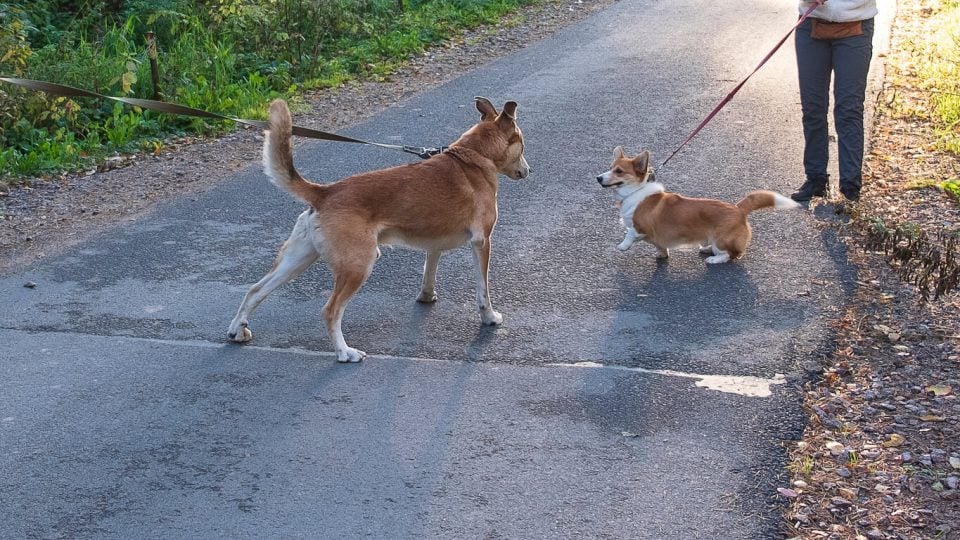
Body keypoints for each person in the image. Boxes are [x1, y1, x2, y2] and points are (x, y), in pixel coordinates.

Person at [791, 0, 878, 203]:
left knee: (849, 109)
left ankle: (850, 187)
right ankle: (815, 179)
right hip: (811, 25)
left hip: (855, 27)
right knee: (812, 108)